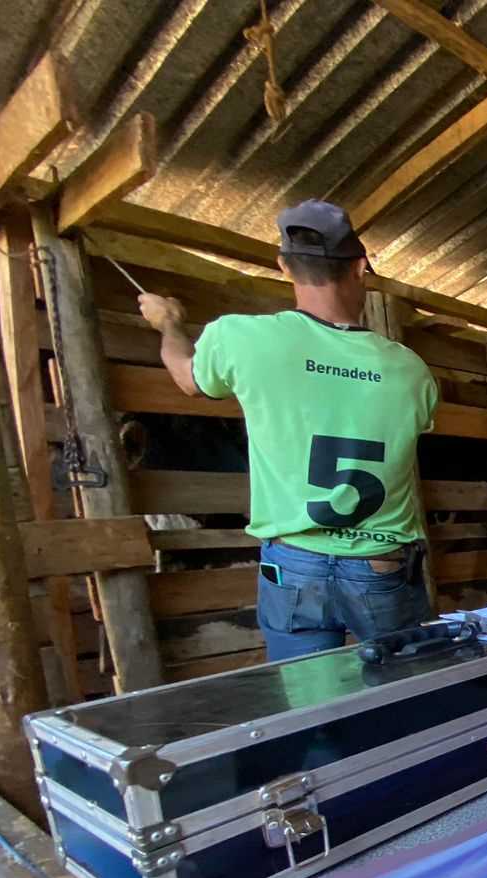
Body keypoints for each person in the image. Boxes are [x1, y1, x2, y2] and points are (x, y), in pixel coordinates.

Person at [138, 200, 438, 661]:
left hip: (294, 564)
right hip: (380, 564)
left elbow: (187, 376)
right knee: (405, 696)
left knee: (310, 710)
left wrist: (169, 325)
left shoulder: (239, 338)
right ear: (360, 267)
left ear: (284, 266)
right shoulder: (410, 370)